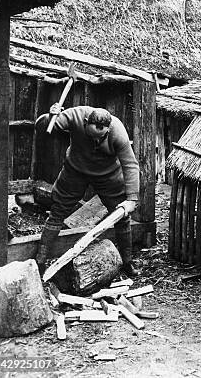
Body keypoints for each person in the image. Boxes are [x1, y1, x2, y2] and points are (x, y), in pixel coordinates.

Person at [35, 103, 141, 277]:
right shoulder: (75, 115)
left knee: (122, 217)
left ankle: (127, 262)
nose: (96, 142)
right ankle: (40, 261)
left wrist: (132, 198)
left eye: (101, 138)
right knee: (57, 212)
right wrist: (48, 116)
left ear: (108, 129)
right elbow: (43, 126)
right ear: (84, 123)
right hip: (75, 170)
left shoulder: (118, 132)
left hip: (108, 175)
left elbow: (130, 165)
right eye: (92, 137)